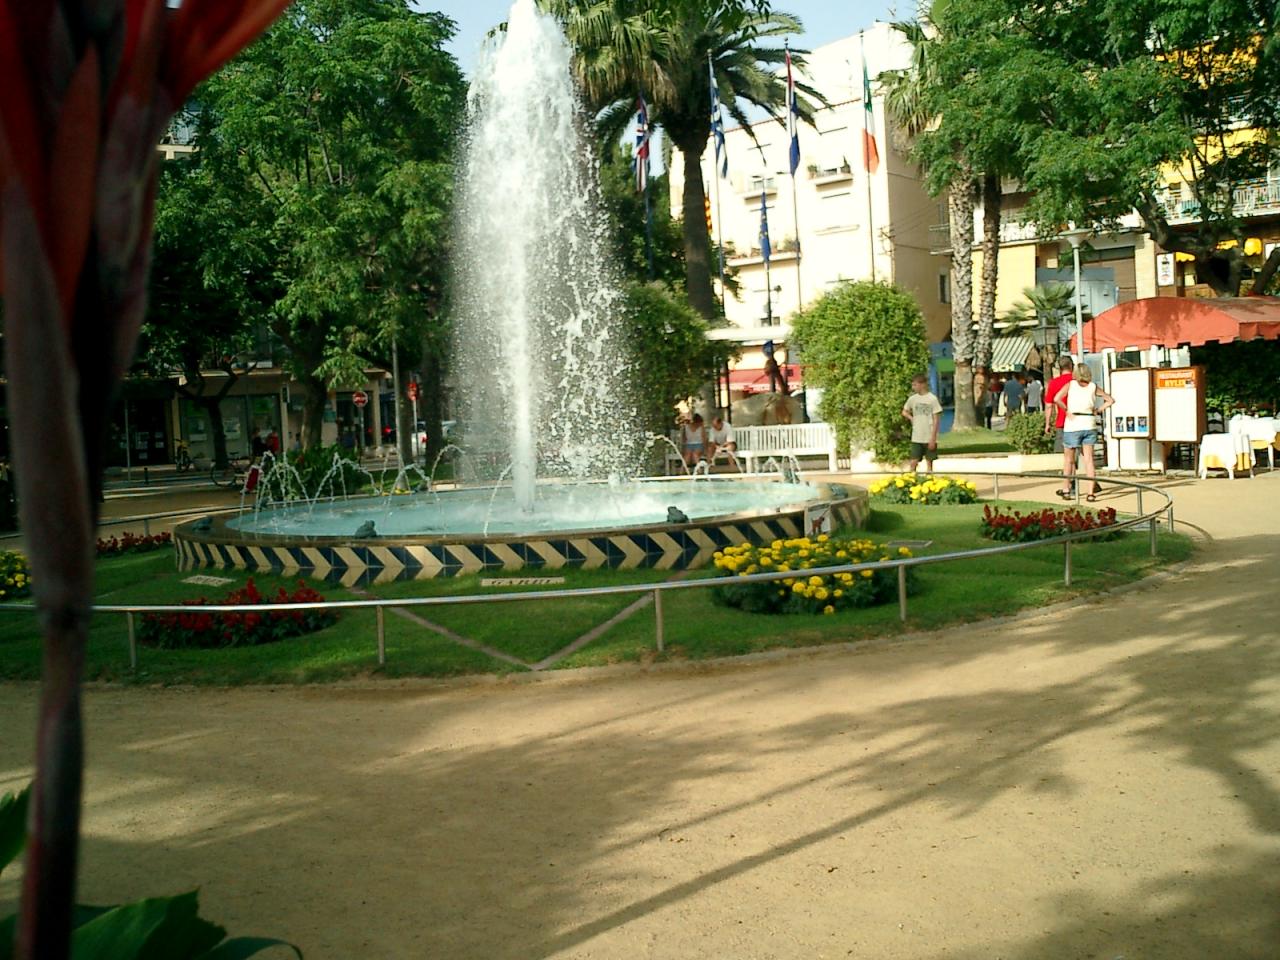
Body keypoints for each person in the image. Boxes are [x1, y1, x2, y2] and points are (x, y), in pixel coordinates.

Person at [1051, 363, 1114, 501]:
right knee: (1089, 460)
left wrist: (1066, 410)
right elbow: (1110, 400)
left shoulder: (1071, 385)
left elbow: (1056, 399)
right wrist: (1098, 410)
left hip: (1073, 423)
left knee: (1069, 460)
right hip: (1089, 423)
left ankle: (1066, 489)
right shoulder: (1093, 387)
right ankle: (1091, 493)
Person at [1044, 357, 1076, 495]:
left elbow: (1049, 405)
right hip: (1080, 421)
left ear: (1059, 367)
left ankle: (1069, 485)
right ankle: (1090, 483)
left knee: (1068, 457)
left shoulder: (1054, 383)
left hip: (1063, 422)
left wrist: (1047, 423)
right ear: (1072, 366)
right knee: (1085, 456)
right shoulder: (1077, 381)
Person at [902, 373, 943, 473]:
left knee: (929, 462)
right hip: (917, 436)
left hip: (929, 435)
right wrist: (911, 418)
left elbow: (936, 419)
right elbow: (904, 411)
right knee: (913, 462)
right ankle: (911, 479)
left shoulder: (932, 399)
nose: (913, 387)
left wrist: (933, 438)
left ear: (922, 384)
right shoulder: (913, 399)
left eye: (915, 385)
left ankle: (929, 479)